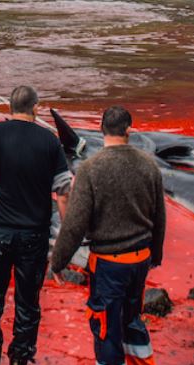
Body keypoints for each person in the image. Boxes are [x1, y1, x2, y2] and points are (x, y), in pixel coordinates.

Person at [0, 86, 72, 365]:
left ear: (10, 108)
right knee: (28, 301)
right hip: (34, 233)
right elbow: (63, 191)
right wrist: (66, 237)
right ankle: (20, 357)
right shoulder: (49, 140)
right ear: (36, 108)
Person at [50, 106, 165, 365]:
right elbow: (160, 217)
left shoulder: (90, 169)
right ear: (129, 131)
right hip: (140, 260)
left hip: (109, 264)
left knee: (106, 327)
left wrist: (58, 261)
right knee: (132, 318)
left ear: (102, 130)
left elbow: (75, 224)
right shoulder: (149, 165)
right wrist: (155, 254)